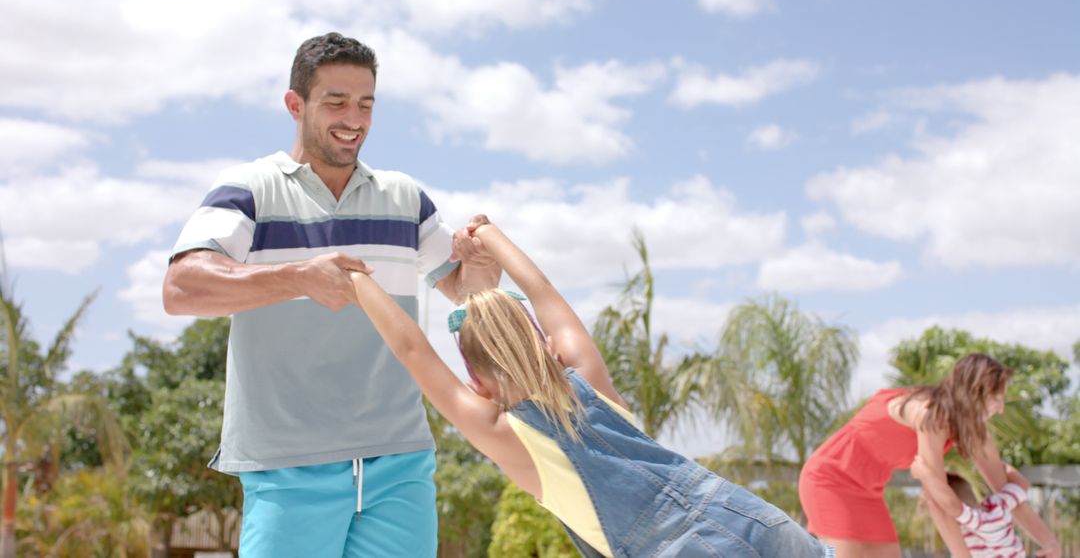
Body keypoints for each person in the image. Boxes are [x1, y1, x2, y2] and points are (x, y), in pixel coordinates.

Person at [162, 33, 499, 557]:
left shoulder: (404, 198)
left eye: (365, 104)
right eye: (336, 101)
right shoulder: (251, 188)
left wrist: (482, 268)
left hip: (400, 462)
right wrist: (298, 277)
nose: (353, 118)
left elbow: (465, 293)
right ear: (295, 104)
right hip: (288, 464)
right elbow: (182, 286)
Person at [348, 217, 833, 558]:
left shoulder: (501, 431)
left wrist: (354, 277)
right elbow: (543, 290)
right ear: (542, 342)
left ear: (477, 382)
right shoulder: (588, 379)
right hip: (750, 515)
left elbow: (412, 349)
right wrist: (488, 235)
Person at [798, 354, 1061, 558]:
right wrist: (962, 556)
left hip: (868, 490)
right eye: (996, 398)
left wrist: (1049, 541)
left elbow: (1008, 492)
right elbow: (936, 494)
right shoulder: (928, 414)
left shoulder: (972, 429)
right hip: (829, 479)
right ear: (974, 393)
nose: (1001, 409)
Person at [911, 458, 1030, 558]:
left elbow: (952, 506)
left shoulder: (979, 522)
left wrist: (925, 474)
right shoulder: (998, 505)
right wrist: (994, 462)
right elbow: (1023, 484)